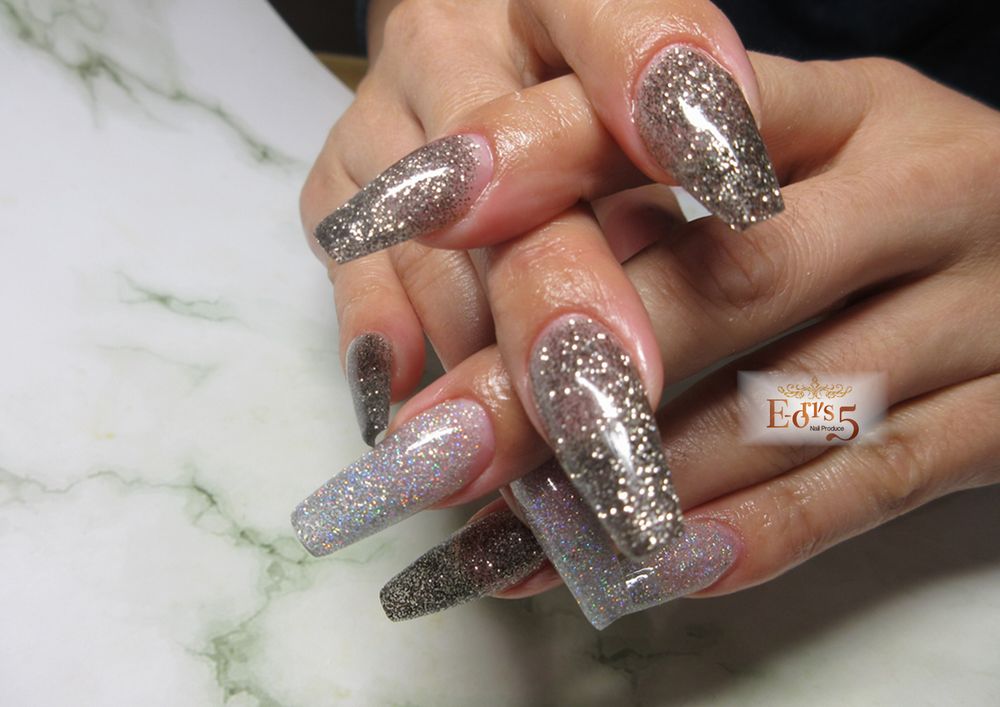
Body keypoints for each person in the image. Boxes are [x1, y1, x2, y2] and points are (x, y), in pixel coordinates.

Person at [290, 0, 1000, 624]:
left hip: (932, 278)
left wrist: (860, 408)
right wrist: (433, 38)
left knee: (805, 405)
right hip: (570, 90)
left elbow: (846, 406)